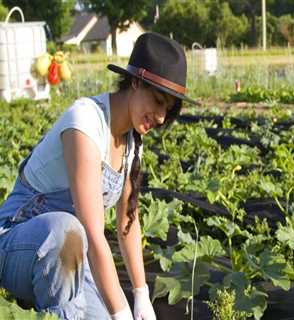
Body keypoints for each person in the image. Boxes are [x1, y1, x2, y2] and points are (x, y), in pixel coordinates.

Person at [0, 32, 199, 319]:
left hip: (71, 260)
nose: (159, 117)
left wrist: (141, 296)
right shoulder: (85, 121)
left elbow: (127, 223)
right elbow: (91, 232)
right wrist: (121, 312)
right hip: (15, 245)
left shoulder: (131, 143)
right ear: (134, 82)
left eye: (167, 110)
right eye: (157, 101)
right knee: (66, 230)